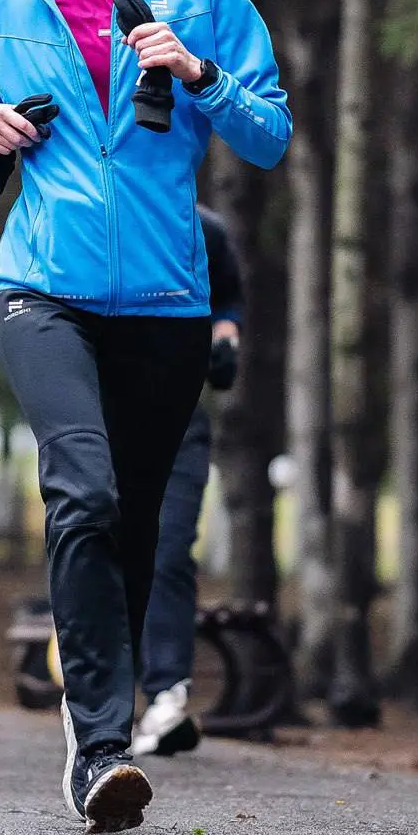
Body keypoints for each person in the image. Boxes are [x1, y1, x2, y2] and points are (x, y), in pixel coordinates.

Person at [0, 0, 290, 833]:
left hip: (164, 299)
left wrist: (198, 73)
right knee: (83, 489)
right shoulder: (9, 6)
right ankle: (96, 745)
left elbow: (266, 135)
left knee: (134, 526)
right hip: (38, 286)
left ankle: (113, 707)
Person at [131, 207, 246, 756]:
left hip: (178, 417)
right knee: (98, 538)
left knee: (171, 549)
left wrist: (226, 337)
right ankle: (95, 695)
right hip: (96, 414)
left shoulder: (207, 229)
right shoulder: (89, 207)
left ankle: (167, 695)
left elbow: (227, 297)